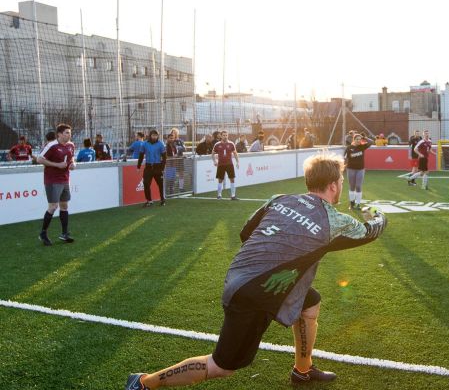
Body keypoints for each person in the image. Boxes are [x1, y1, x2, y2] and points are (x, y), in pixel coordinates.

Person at [124, 153, 387, 390]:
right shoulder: (336, 220)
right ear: (333, 185)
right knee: (221, 366)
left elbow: (246, 232)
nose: (341, 184)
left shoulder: (280, 199)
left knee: (310, 304)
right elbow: (371, 231)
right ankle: (144, 383)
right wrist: (378, 213)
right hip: (253, 293)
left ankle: (303, 370)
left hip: (244, 275)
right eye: (340, 180)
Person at [36, 124, 76, 246]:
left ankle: (64, 234)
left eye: (69, 133)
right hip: (52, 180)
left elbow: (72, 158)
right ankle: (43, 233)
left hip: (65, 179)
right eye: (66, 133)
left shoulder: (71, 145)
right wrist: (57, 165)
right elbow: (39, 159)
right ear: (59, 134)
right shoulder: (52, 145)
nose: (69, 135)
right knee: (53, 206)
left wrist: (73, 164)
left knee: (64, 206)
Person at [137, 130, 167, 207]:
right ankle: (149, 200)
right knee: (146, 183)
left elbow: (164, 157)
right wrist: (138, 166)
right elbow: (141, 155)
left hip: (158, 167)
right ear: (150, 136)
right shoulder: (145, 144)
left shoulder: (161, 144)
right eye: (153, 135)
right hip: (148, 167)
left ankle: (162, 199)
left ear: (158, 136)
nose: (154, 137)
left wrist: (162, 168)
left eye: (156, 135)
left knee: (160, 184)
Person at [344, 133, 375, 209]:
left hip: (360, 169)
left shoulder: (362, 147)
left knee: (358, 186)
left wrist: (364, 137)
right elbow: (345, 158)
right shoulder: (349, 148)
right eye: (357, 139)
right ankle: (352, 204)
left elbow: (371, 142)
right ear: (354, 140)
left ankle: (358, 204)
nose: (358, 140)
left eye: (359, 139)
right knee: (352, 186)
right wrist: (344, 166)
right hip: (351, 169)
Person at [213, 130, 240, 200]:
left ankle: (233, 196)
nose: (225, 137)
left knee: (232, 179)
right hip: (221, 164)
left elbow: (235, 153)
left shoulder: (231, 144)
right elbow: (212, 153)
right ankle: (219, 195)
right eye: (224, 135)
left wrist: (237, 162)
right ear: (221, 136)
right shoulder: (217, 144)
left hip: (229, 164)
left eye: (226, 135)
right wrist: (214, 161)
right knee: (220, 180)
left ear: (228, 136)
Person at [166, 128, 187, 192]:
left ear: (177, 134)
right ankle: (170, 188)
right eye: (172, 132)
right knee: (171, 174)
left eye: (175, 132)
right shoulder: (168, 142)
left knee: (181, 173)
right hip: (171, 160)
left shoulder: (180, 141)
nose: (173, 134)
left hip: (180, 158)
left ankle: (181, 187)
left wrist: (178, 148)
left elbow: (184, 148)